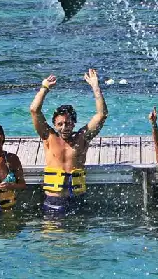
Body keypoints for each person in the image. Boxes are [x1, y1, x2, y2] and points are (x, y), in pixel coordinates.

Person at [29, 69, 108, 214]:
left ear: (74, 123)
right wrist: (44, 88)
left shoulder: (82, 138)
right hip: (53, 201)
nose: (64, 127)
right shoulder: (48, 137)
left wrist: (95, 87)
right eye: (60, 124)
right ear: (54, 124)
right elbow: (34, 110)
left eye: (68, 123)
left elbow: (101, 115)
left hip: (76, 200)